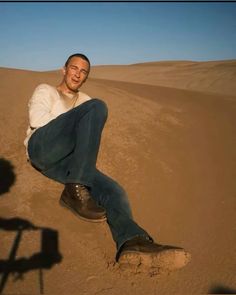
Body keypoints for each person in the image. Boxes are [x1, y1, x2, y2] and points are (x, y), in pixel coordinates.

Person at [24, 53, 191, 273]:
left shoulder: (84, 100)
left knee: (113, 190)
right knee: (98, 107)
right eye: (74, 68)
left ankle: (132, 242)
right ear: (64, 70)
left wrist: (80, 137)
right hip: (41, 148)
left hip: (64, 162)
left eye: (83, 72)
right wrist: (76, 126)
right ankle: (74, 191)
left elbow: (87, 140)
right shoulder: (46, 90)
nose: (78, 74)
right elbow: (38, 120)